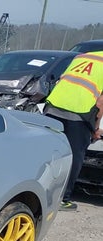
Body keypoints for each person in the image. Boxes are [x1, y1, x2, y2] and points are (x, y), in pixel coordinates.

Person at [43, 51, 103, 210]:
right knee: (75, 154)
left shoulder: (83, 56)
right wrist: (95, 128)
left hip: (53, 106)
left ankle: (39, 189)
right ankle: (62, 199)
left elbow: (63, 79)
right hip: (78, 111)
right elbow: (101, 102)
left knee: (49, 150)